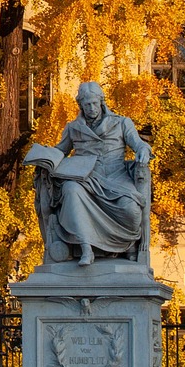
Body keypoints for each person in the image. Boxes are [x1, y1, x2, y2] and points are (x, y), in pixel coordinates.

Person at [30, 81, 151, 267]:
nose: (91, 108)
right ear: (81, 105)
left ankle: (126, 245)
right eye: (87, 104)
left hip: (116, 175)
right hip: (86, 177)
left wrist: (143, 151)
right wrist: (44, 158)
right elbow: (60, 151)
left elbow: (138, 143)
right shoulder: (73, 128)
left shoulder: (121, 122)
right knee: (70, 190)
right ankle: (86, 247)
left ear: (101, 102)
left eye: (94, 103)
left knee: (131, 210)